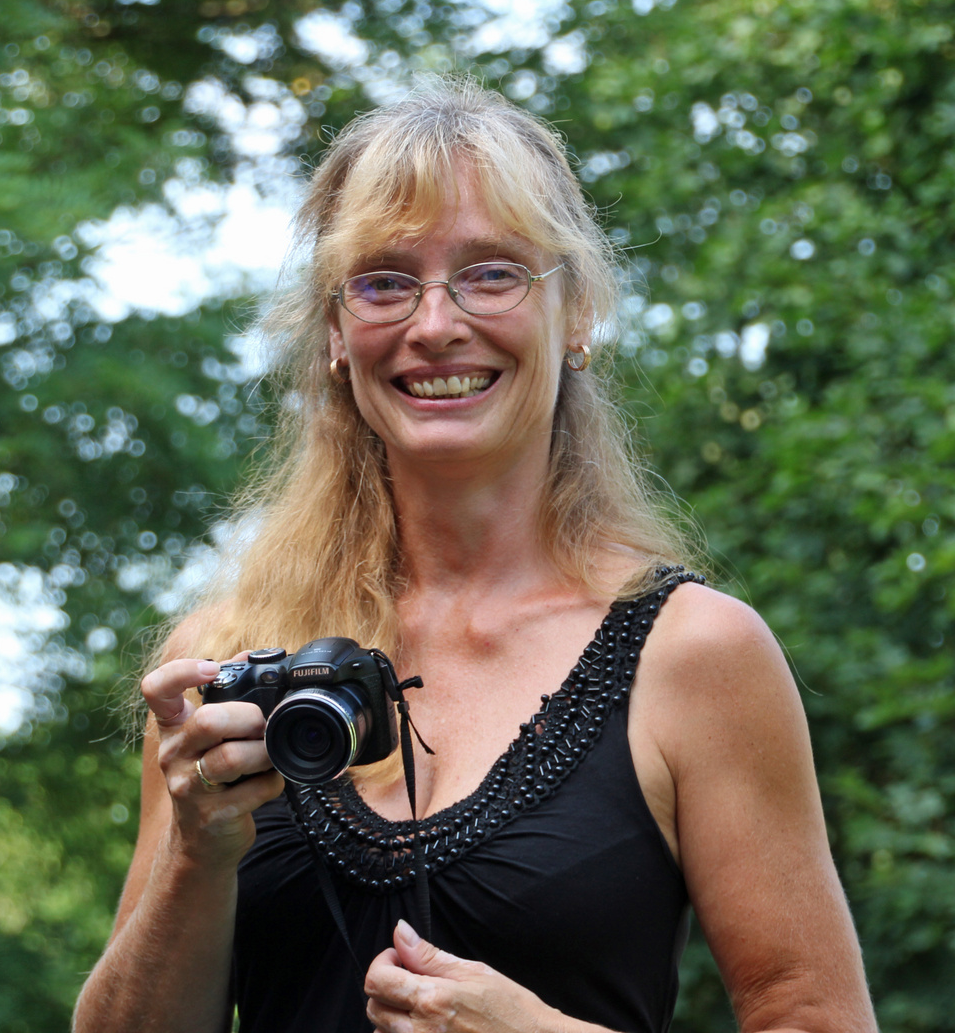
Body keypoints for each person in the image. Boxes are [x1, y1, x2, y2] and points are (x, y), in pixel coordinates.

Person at [74, 78, 877, 1033]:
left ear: (575, 315)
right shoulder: (228, 660)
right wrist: (195, 857)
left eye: (492, 273)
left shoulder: (696, 655)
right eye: (384, 281)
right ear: (336, 332)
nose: (434, 324)